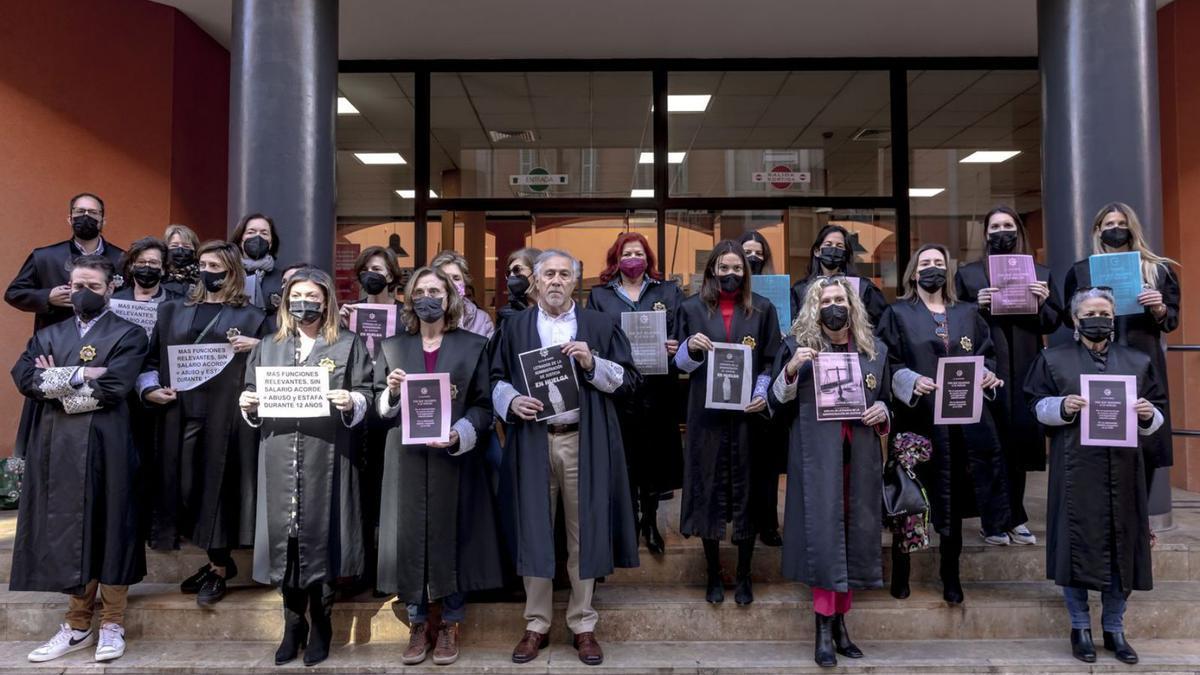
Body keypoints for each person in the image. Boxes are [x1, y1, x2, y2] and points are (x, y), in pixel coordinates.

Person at [491, 249, 640, 666]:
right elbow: (495, 379)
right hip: (533, 439)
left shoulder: (598, 324)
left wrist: (593, 363)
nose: (556, 280)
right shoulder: (515, 326)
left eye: (564, 274)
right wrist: (512, 400)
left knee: (583, 532)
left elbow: (629, 381)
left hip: (583, 440)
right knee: (535, 529)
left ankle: (583, 624)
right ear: (536, 282)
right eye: (548, 274)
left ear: (576, 281)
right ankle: (535, 624)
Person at [11, 255, 148, 663]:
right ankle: (76, 623)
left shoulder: (130, 333)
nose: (82, 293)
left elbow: (116, 386)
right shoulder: (47, 334)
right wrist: (82, 374)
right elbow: (24, 379)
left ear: (110, 289)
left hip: (110, 443)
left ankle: (112, 623)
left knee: (111, 524)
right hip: (58, 446)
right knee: (70, 528)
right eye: (76, 286)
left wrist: (55, 383)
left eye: (92, 286)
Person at [1024, 287, 1166, 665]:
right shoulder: (1053, 360)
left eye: (1104, 311)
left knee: (1123, 549)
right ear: (1075, 319)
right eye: (1089, 312)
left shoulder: (1137, 361)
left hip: (1124, 470)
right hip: (1075, 471)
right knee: (1075, 547)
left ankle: (1115, 628)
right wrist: (1063, 407)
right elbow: (1034, 406)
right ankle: (1080, 627)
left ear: (1114, 316)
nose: (1097, 318)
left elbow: (1158, 415)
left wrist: (1148, 414)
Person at [239, 267, 372, 667]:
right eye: (297, 296)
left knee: (321, 535)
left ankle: (322, 623)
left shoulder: (348, 344)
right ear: (285, 300)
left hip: (327, 452)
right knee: (288, 538)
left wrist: (353, 401)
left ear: (327, 301)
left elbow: (367, 390)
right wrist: (248, 405)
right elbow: (251, 389)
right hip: (279, 451)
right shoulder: (269, 344)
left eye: (313, 297)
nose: (305, 303)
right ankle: (292, 622)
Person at [374, 267, 503, 666]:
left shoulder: (473, 345)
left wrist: (460, 431)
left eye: (435, 290)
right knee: (411, 536)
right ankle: (417, 622)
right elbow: (380, 407)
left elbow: (484, 407)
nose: (427, 297)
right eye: (420, 291)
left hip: (454, 457)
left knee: (455, 533)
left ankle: (449, 622)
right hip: (407, 457)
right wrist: (392, 393)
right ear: (410, 299)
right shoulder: (393, 347)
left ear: (449, 299)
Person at [877, 243, 1009, 604]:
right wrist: (909, 381)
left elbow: (988, 356)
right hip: (918, 420)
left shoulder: (967, 313)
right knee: (912, 495)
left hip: (962, 424)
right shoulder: (898, 313)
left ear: (947, 272)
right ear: (913, 273)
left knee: (953, 497)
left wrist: (988, 377)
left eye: (939, 262)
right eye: (926, 263)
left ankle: (950, 572)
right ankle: (902, 567)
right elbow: (886, 362)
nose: (933, 268)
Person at [139, 241, 268, 606]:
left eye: (216, 266)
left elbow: (276, 357)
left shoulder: (253, 316)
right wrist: (149, 390)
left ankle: (219, 565)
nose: (208, 272)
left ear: (233, 273)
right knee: (184, 486)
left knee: (219, 490)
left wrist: (257, 344)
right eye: (203, 264)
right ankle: (213, 560)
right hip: (178, 414)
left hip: (227, 420)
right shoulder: (171, 310)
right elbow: (149, 361)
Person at [769, 276, 890, 667]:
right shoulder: (796, 347)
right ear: (814, 308)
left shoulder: (874, 351)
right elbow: (774, 402)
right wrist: (790, 370)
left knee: (852, 536)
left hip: (860, 458)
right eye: (825, 301)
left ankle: (841, 623)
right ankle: (824, 627)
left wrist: (883, 412)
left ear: (851, 305)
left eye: (839, 299)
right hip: (815, 459)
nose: (833, 306)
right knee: (824, 538)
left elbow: (886, 399)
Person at [674, 240, 782, 607]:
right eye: (724, 268)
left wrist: (763, 391)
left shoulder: (763, 310)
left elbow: (771, 360)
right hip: (705, 416)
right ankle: (712, 572)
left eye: (737, 268)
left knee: (746, 490)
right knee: (708, 488)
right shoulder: (689, 308)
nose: (731, 274)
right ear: (711, 271)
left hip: (748, 417)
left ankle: (745, 572)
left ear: (746, 272)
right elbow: (678, 366)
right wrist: (690, 348)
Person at [955, 206, 1061, 546]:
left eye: (1008, 225)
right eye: (995, 226)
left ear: (1018, 231)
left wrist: (1042, 302)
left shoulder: (1040, 273)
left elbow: (1052, 323)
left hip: (1026, 367)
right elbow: (954, 319)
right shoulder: (969, 275)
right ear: (985, 233)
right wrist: (977, 304)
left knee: (1019, 443)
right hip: (987, 367)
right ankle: (992, 519)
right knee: (989, 443)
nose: (1001, 231)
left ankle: (1015, 516)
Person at [1063, 202, 1180, 492]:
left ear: (1132, 228)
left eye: (1121, 224)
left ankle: (1142, 517)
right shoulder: (1081, 270)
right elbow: (1068, 317)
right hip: (1095, 361)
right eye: (1109, 225)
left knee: (1145, 434)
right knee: (1099, 432)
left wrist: (1159, 308)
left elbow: (1171, 321)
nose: (1116, 229)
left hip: (1143, 360)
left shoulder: (1157, 270)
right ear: (1097, 230)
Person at [586, 232, 684, 555]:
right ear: (617, 258)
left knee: (653, 460)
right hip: (619, 391)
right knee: (624, 459)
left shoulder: (667, 291)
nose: (633, 258)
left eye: (638, 253)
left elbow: (681, 333)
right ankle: (627, 523)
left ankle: (650, 522)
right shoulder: (600, 295)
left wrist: (675, 344)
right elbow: (592, 335)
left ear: (648, 259)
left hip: (657, 390)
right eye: (627, 253)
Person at [6, 192, 127, 333]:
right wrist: (47, 297)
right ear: (70, 219)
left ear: (103, 220)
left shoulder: (123, 259)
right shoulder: (44, 257)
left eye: (93, 212)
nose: (86, 216)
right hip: (53, 341)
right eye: (80, 211)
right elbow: (13, 294)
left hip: (107, 340)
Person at [737, 231, 785, 547]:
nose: (753, 256)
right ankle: (741, 523)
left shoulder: (774, 297)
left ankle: (768, 524)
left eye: (758, 252)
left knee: (766, 466)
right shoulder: (721, 298)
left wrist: (762, 391)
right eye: (747, 251)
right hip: (730, 391)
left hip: (765, 389)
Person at [789, 225, 887, 325]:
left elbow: (881, 324)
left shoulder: (863, 288)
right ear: (817, 251)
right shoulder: (800, 290)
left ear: (845, 255)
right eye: (828, 245)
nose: (833, 250)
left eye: (839, 246)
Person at [231, 213, 285, 317]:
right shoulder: (229, 275)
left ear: (271, 242)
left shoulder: (282, 278)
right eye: (251, 232)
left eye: (264, 233)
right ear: (240, 239)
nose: (258, 237)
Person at [432, 250, 495, 338]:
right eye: (444, 278)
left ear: (465, 283)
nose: (451, 284)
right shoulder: (423, 315)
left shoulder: (482, 320)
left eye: (456, 278)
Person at [115, 237, 183, 304]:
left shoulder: (176, 303)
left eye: (153, 262)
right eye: (141, 262)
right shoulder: (115, 301)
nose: (147, 266)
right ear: (131, 266)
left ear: (163, 269)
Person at [495, 247, 540, 330]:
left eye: (517, 269)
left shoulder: (557, 309)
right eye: (509, 272)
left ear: (537, 272)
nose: (511, 276)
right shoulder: (506, 315)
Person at [162, 224, 201, 297]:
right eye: (174, 246)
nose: (180, 250)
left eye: (186, 246)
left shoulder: (202, 278)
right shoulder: (159, 277)